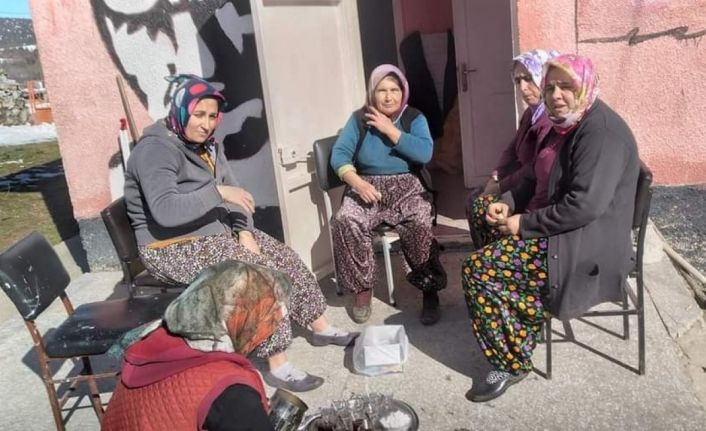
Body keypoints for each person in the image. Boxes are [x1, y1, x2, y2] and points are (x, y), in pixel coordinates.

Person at [123, 74, 357, 393]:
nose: (206, 124)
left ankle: (320, 326)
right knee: (255, 276)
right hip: (169, 246)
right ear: (181, 110)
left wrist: (244, 230)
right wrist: (218, 193)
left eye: (212, 116)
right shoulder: (155, 150)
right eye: (198, 115)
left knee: (283, 256)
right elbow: (166, 210)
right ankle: (277, 362)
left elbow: (236, 193)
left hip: (213, 232)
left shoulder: (208, 146)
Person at [462, 54, 640, 402]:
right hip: (562, 229)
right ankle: (513, 311)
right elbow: (533, 175)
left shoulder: (600, 134)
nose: (556, 95)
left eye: (566, 86)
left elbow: (583, 207)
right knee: (482, 211)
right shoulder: (563, 125)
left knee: (477, 269)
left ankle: (510, 361)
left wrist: (523, 223)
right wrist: (508, 202)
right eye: (550, 87)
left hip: (584, 247)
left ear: (585, 86)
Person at [102, 260, 286, 430]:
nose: (269, 333)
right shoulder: (233, 390)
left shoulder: (151, 339)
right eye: (269, 320)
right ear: (242, 319)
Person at [330, 64, 447, 325]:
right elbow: (339, 154)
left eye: (394, 90)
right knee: (346, 219)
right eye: (382, 90)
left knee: (419, 222)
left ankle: (429, 289)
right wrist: (356, 182)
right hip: (367, 186)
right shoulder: (359, 119)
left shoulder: (414, 117)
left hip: (407, 187)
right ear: (372, 92)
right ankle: (362, 288)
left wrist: (390, 130)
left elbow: (424, 153)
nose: (388, 96)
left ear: (403, 91)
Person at [466, 49, 559, 245]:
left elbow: (532, 167)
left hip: (530, 190)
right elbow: (511, 148)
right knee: (474, 198)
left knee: (481, 206)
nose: (523, 88)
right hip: (517, 181)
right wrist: (495, 176)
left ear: (544, 78)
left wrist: (499, 187)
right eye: (518, 81)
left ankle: (494, 252)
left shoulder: (549, 120)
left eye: (529, 78)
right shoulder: (531, 114)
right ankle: (486, 250)